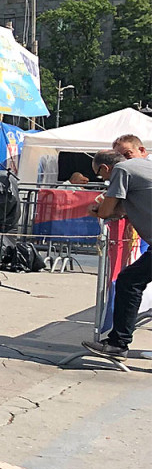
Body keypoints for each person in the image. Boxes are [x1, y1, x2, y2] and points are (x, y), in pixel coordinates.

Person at [83, 149, 152, 359]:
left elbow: (106, 211)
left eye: (101, 175)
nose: (104, 181)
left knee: (129, 282)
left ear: (106, 168)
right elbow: (122, 210)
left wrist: (95, 209)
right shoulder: (142, 167)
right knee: (131, 280)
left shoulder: (122, 170)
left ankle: (118, 343)